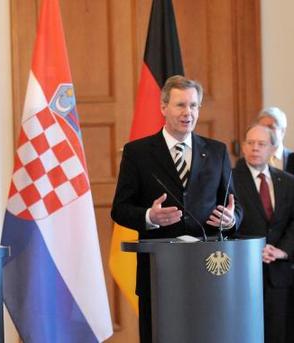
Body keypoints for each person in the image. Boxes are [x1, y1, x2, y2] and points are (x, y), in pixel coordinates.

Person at [111, 75, 242, 343]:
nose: (188, 113)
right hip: (159, 271)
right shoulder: (138, 152)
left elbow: (234, 205)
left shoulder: (216, 151)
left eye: (194, 106)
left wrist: (231, 219)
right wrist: (149, 216)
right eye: (181, 105)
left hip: (207, 269)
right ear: (163, 108)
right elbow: (120, 209)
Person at [232, 124, 294, 343]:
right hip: (243, 273)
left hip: (280, 276)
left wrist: (282, 251)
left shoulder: (287, 181)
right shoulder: (229, 179)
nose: (255, 148)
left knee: (280, 334)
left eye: (261, 144)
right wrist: (252, 249)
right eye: (250, 143)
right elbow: (226, 223)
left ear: (273, 148)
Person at [257, 107, 294, 173]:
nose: (266, 131)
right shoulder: (251, 160)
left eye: (270, 127)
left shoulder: (291, 158)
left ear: (282, 131)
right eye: (262, 127)